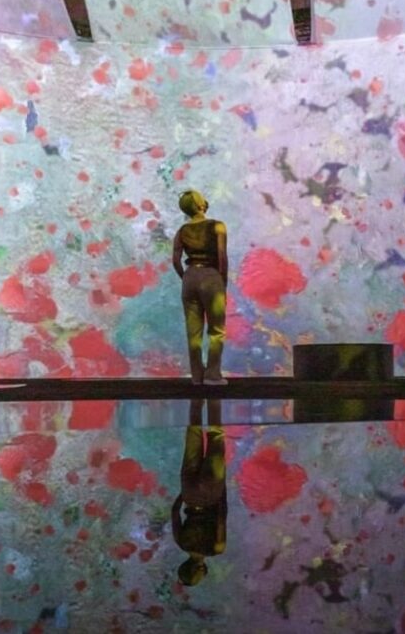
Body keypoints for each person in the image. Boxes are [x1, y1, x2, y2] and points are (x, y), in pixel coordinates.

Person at [172, 190, 228, 386]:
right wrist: (222, 282)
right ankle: (212, 374)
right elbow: (222, 256)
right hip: (211, 276)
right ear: (201, 204)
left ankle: (197, 376)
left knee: (193, 332)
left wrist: (185, 277)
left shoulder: (182, 231)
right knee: (217, 330)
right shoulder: (217, 226)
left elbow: (176, 260)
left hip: (190, 277)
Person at [172, 398, 227, 586]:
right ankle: (196, 399)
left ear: (197, 570)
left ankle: (214, 398)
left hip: (211, 494)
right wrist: (184, 494)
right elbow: (174, 512)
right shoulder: (181, 542)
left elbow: (221, 518)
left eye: (199, 578)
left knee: (216, 437)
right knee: (193, 437)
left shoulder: (216, 548)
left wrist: (221, 489)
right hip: (189, 493)